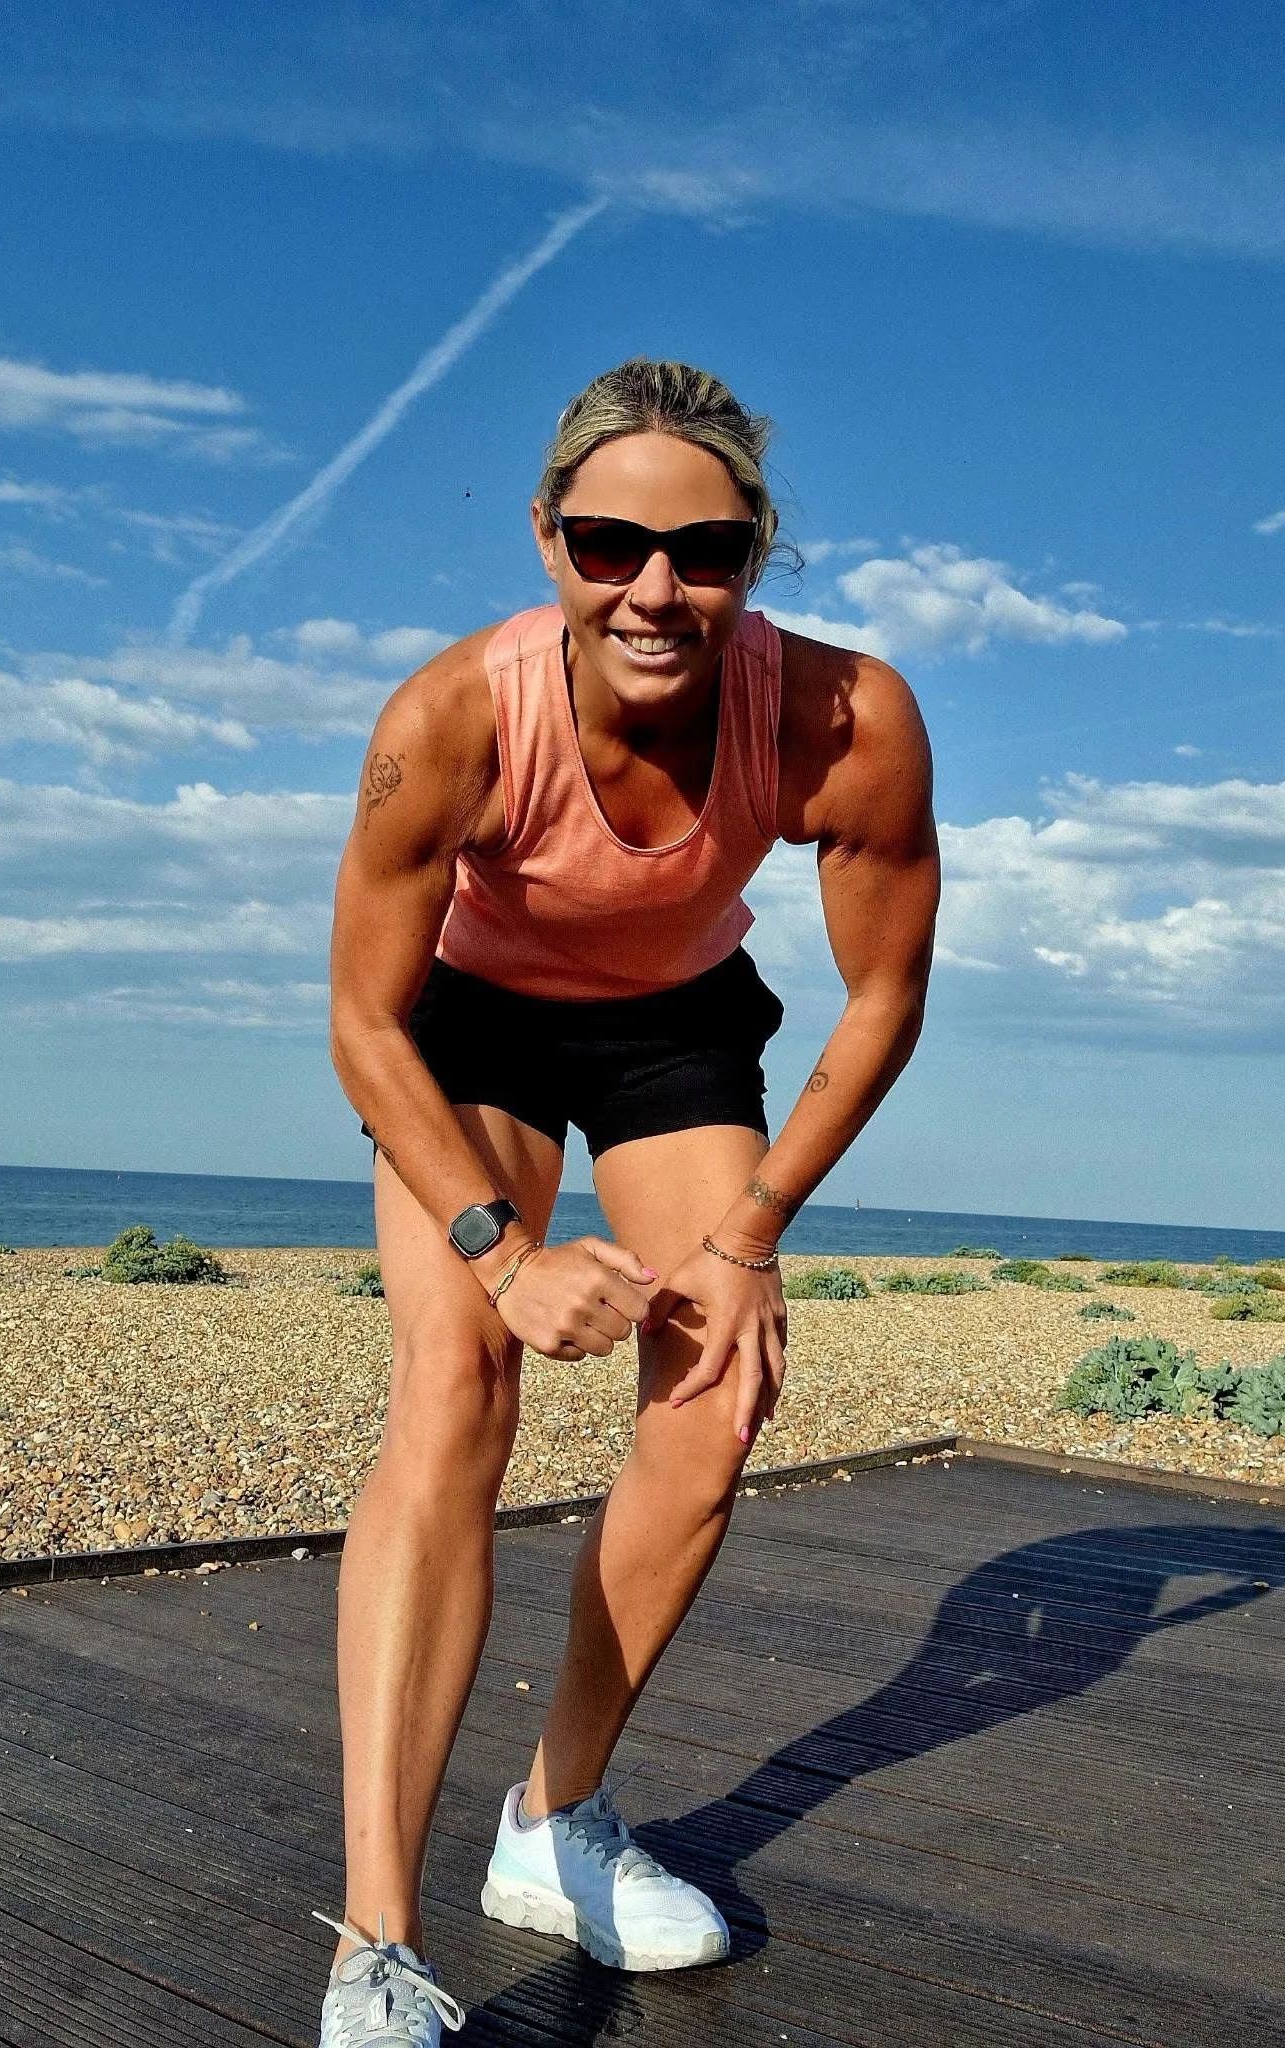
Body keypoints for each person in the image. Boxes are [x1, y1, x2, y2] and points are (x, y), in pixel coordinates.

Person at [319, 357, 940, 2043]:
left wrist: (747, 1237)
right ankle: (377, 1940)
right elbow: (365, 1019)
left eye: (706, 550)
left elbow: (880, 998)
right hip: (479, 1032)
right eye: (610, 544)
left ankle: (554, 1824)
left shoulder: (846, 719)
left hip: (676, 1025)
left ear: (757, 552)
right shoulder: (452, 717)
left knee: (726, 1378)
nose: (655, 590)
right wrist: (503, 1253)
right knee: (457, 1381)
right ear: (550, 543)